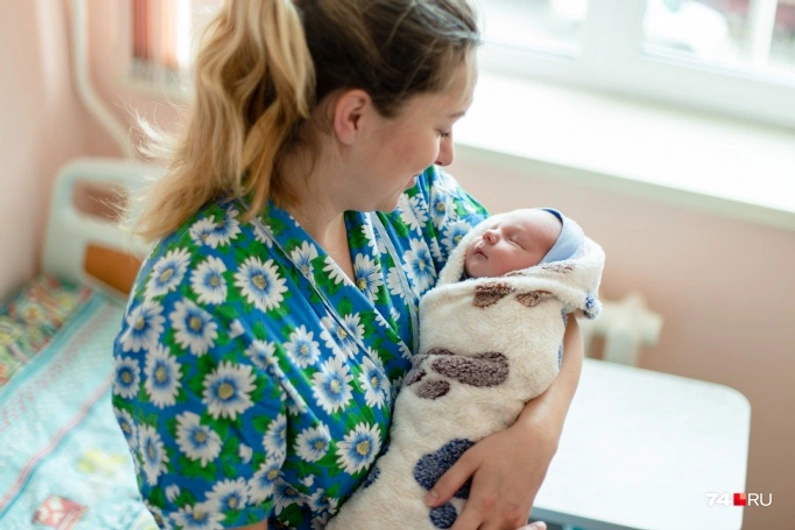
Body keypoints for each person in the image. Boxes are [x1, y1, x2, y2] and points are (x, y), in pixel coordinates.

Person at [111, 1, 585, 529]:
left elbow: (552, 298)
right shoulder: (197, 318)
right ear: (354, 116)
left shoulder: (413, 199)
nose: (446, 155)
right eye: (441, 127)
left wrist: (536, 438)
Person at [326, 208, 604, 530]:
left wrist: (538, 434)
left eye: (514, 240)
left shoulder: (427, 198)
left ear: (548, 273)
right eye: (495, 227)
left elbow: (558, 330)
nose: (489, 233)